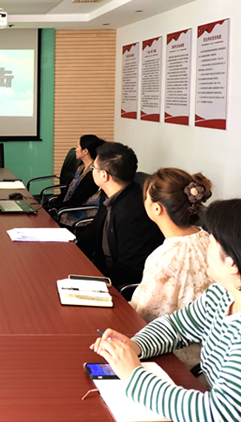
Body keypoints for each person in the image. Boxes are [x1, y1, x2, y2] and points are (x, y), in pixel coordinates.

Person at [91, 199, 241, 422]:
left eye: (213, 240)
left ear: (233, 263)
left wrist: (133, 376)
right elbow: (176, 326)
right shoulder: (226, 293)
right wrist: (136, 345)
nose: (206, 244)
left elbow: (218, 414)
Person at [130, 168, 214, 371]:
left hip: (176, 358)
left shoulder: (165, 258)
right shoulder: (209, 240)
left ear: (156, 208)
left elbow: (142, 316)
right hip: (211, 354)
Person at [78, 142, 163, 288]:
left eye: (93, 168)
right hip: (102, 270)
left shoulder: (134, 212)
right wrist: (73, 254)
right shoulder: (110, 194)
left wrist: (91, 278)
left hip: (118, 285)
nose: (92, 171)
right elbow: (94, 229)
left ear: (104, 175)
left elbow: (130, 268)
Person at [46, 134, 105, 224]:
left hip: (78, 217)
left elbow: (76, 201)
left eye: (77, 147)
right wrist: (49, 206)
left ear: (85, 151)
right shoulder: (81, 168)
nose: (76, 150)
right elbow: (68, 190)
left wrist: (50, 208)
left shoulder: (92, 174)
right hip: (67, 209)